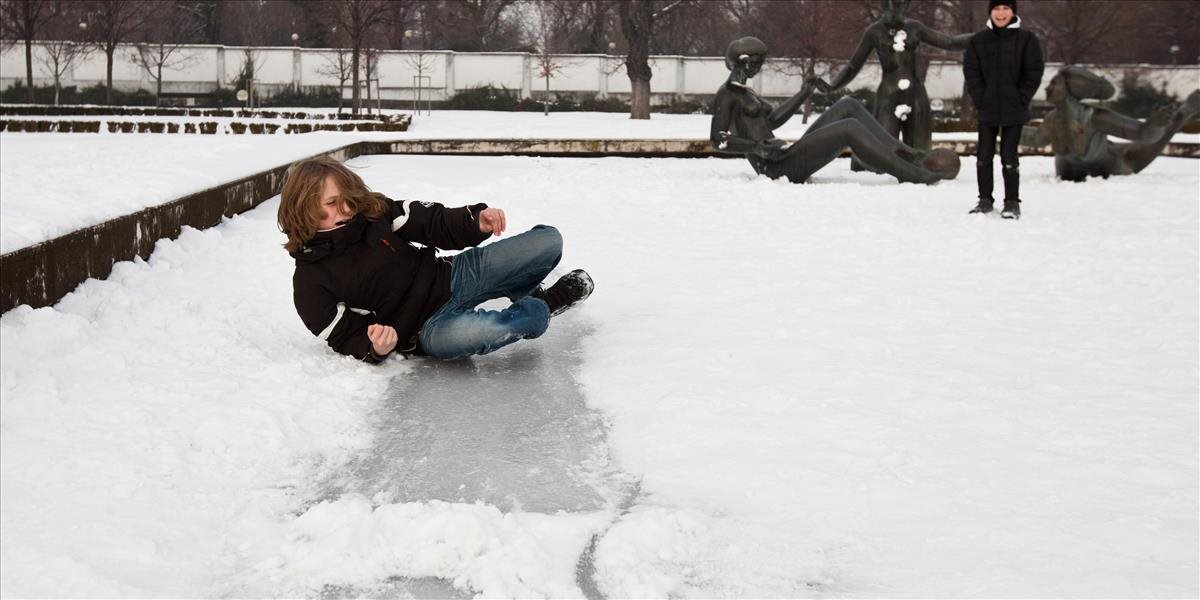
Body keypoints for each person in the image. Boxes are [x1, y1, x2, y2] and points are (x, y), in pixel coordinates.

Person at [276, 157, 593, 362]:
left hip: (452, 276)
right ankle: (548, 302)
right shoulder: (309, 284)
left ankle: (523, 289)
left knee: (549, 241)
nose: (345, 209)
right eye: (331, 204)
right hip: (427, 330)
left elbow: (431, 222)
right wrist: (376, 346)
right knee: (512, 326)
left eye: (347, 199)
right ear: (303, 209)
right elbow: (345, 336)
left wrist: (475, 221)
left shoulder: (373, 213)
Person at [710, 36, 960, 185]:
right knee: (848, 128)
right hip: (775, 168)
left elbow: (772, 121)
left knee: (848, 105)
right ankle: (909, 174)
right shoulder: (728, 94)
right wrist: (756, 148)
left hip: (783, 153)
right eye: (757, 62)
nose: (760, 66)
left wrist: (804, 92)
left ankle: (909, 155)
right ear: (744, 60)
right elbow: (717, 140)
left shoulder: (747, 92)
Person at [818, 0, 971, 160]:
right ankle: (860, 162)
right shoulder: (874, 32)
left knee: (921, 156)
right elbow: (852, 66)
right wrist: (832, 86)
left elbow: (950, 42)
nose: (899, 8)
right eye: (895, 4)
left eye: (902, 4)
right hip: (889, 97)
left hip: (915, 96)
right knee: (883, 155)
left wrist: (983, 36)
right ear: (884, 5)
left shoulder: (914, 28)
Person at [1024, 66, 1200, 181]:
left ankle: (1185, 111)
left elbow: (1143, 134)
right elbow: (1035, 139)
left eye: (1054, 84)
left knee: (1137, 155)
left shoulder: (1096, 117)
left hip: (1109, 166)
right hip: (1070, 170)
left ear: (1070, 90)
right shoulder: (1052, 119)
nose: (1047, 88)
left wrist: (1155, 125)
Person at [963, 0, 1044, 219]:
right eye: (996, 9)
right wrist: (980, 99)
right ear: (990, 12)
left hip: (1014, 108)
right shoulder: (978, 41)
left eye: (1005, 8)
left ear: (1013, 12)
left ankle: (1011, 202)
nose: (1001, 13)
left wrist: (1022, 98)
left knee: (1009, 156)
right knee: (983, 156)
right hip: (987, 107)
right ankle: (985, 200)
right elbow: (971, 72)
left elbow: (1034, 72)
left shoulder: (1027, 40)